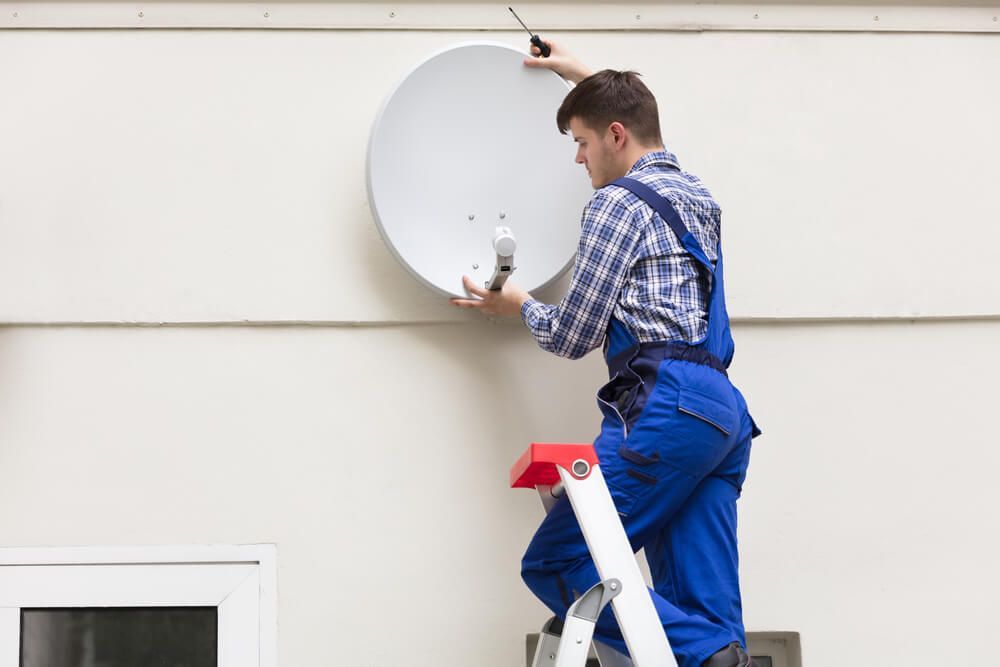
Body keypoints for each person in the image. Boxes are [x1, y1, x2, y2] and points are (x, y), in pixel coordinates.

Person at [451, 39, 761, 667]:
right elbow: (643, 122)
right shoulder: (695, 193)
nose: (577, 158)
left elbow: (572, 336)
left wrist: (519, 305)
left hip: (668, 407)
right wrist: (583, 76)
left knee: (558, 562)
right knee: (705, 603)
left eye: (583, 142)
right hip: (722, 417)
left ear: (615, 136)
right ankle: (716, 651)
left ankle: (709, 653)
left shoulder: (615, 204)